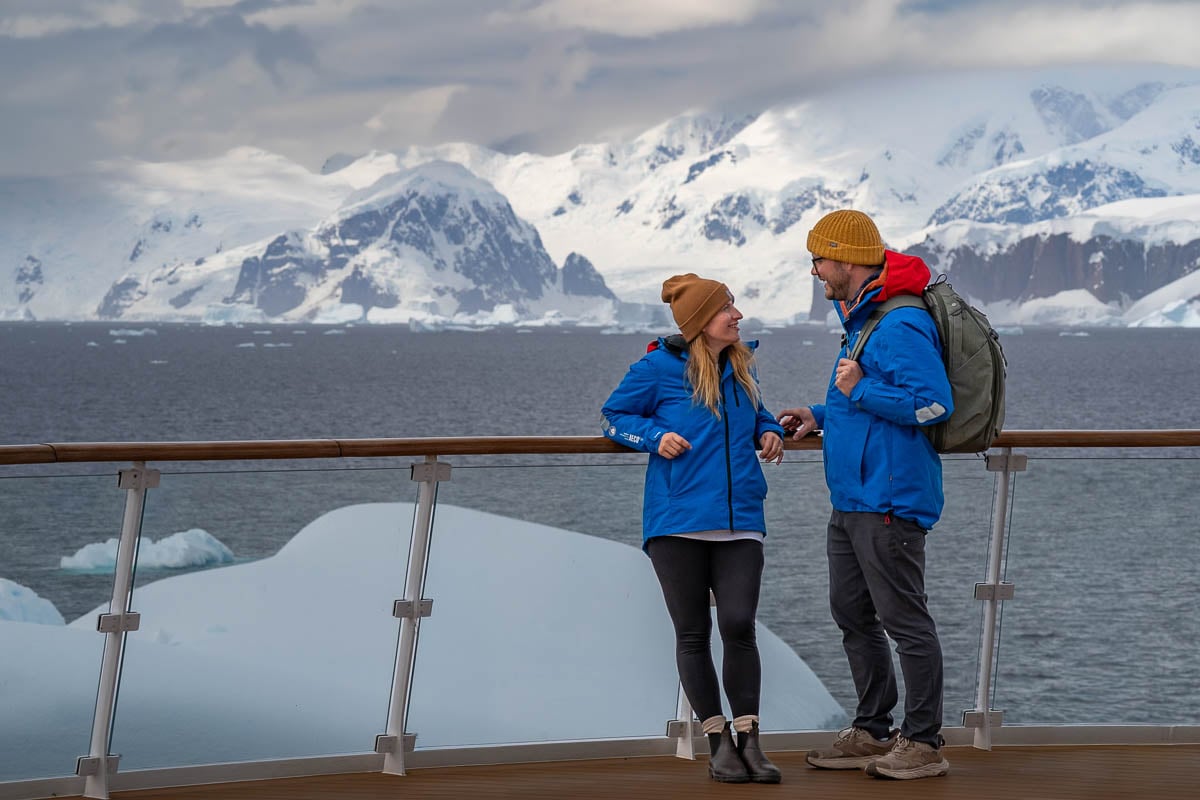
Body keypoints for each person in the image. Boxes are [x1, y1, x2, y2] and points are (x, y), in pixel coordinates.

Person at [778, 209, 954, 781]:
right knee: (852, 613)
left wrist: (863, 387)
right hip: (853, 498)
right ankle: (874, 730)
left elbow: (933, 405)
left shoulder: (899, 322)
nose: (814, 271)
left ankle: (924, 742)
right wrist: (821, 412)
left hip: (889, 501)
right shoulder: (863, 316)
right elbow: (864, 403)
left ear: (848, 260)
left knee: (905, 622)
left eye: (819, 259)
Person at [601, 273, 786, 784]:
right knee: (693, 633)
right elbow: (613, 417)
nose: (737, 314)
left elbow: (755, 415)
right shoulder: (657, 367)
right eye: (727, 307)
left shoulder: (739, 365)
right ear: (701, 321)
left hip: (741, 520)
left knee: (738, 625)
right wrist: (655, 435)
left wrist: (769, 429)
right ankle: (717, 741)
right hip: (677, 522)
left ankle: (750, 740)